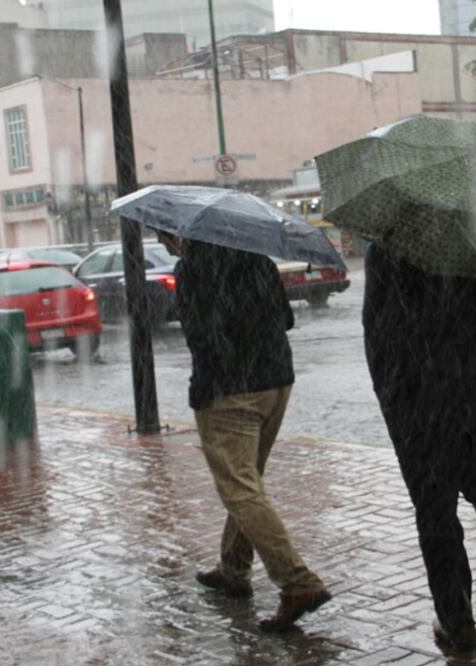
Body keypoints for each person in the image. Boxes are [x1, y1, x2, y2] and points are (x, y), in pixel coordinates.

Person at [362, 242, 476, 656]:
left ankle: (457, 622)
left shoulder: (395, 240)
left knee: (435, 510)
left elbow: (377, 329)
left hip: (422, 396)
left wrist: (392, 395)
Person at [159, 232, 331, 632]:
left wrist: (212, 380)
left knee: (239, 488)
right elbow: (286, 319)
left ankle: (297, 582)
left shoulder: (192, 268)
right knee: (248, 481)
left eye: (164, 236)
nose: (164, 243)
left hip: (229, 393)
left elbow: (202, 336)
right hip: (275, 382)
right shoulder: (257, 257)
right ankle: (233, 569)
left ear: (178, 233)